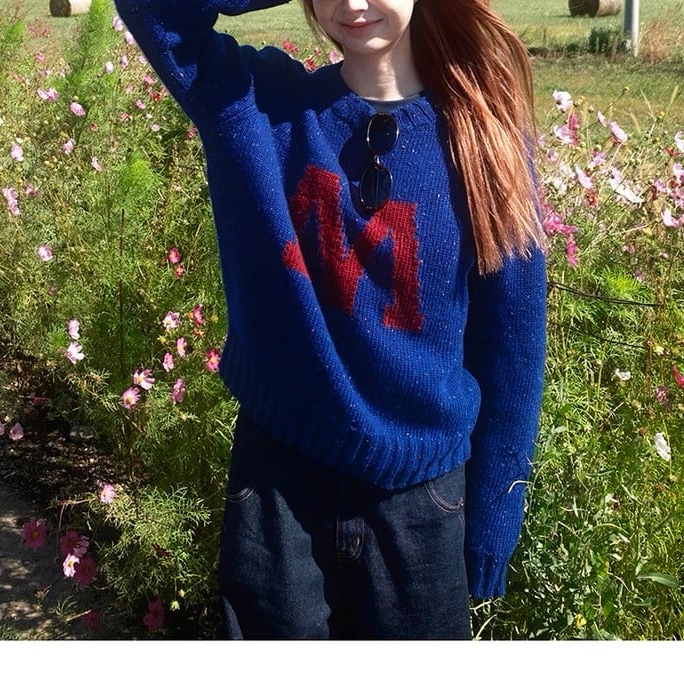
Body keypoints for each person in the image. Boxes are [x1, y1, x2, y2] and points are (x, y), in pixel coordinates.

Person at [113, 0, 547, 640]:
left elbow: (513, 344)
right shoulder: (260, 107)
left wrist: (492, 521)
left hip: (423, 503)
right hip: (278, 493)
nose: (353, 2)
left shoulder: (484, 139)